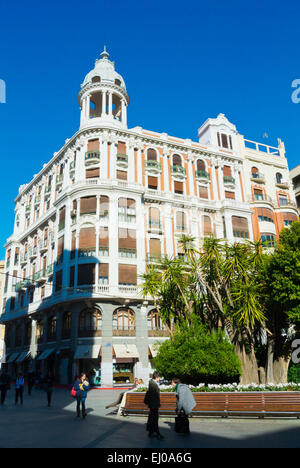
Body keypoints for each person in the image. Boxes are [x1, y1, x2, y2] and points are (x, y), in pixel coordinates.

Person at [145, 371, 164, 440]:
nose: (160, 379)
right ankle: (157, 433)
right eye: (159, 377)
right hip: (154, 404)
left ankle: (151, 432)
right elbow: (154, 395)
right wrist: (156, 404)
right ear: (157, 377)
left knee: (152, 418)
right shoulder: (153, 384)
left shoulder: (153, 383)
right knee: (154, 418)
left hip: (153, 404)